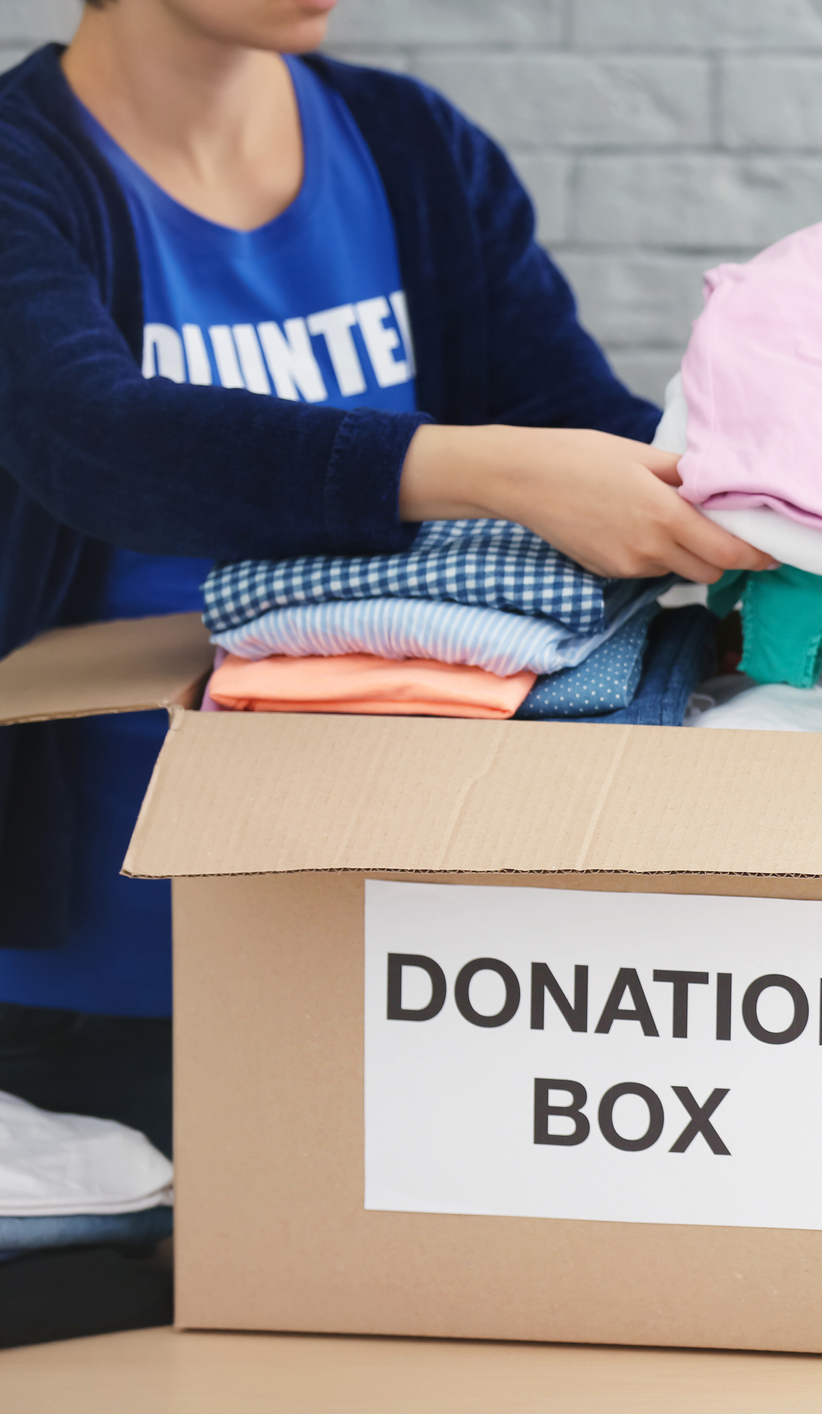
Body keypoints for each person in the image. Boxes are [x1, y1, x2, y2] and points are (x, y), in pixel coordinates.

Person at [0, 0, 767, 1164]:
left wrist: (793, 503)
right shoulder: (22, 171)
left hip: (403, 938)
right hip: (88, 973)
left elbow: (578, 420)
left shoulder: (411, 145)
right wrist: (483, 469)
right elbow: (90, 440)